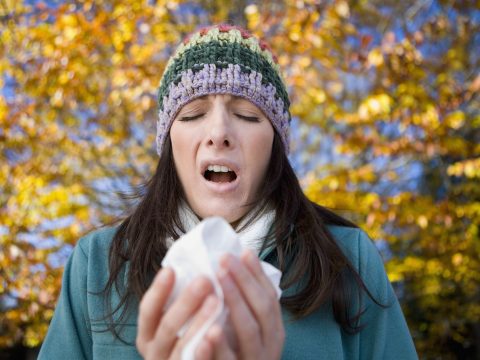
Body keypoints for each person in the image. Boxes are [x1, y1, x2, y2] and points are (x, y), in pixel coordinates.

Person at [38, 24, 418, 359]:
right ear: (169, 140)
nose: (219, 132)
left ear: (275, 143)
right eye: (192, 114)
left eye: (248, 115)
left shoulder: (348, 260)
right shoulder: (97, 264)